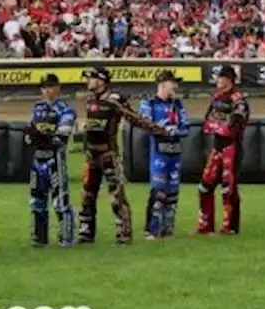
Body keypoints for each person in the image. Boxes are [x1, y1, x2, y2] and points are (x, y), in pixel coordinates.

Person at [78, 65, 163, 244]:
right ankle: (86, 232)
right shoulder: (89, 100)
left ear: (101, 80)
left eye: (90, 78)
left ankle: (123, 233)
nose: (87, 81)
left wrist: (156, 129)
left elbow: (134, 117)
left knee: (116, 195)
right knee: (86, 195)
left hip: (108, 154)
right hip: (90, 156)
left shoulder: (114, 100)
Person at [196, 63, 249, 235]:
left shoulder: (238, 99)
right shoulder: (216, 98)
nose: (217, 81)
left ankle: (230, 227)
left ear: (228, 80)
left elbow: (235, 124)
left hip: (231, 149)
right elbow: (206, 122)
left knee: (229, 189)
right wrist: (218, 125)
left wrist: (217, 125)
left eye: (220, 77)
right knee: (204, 186)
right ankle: (205, 225)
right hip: (217, 148)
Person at [25, 73, 75, 247]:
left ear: (58, 88)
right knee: (36, 200)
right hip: (37, 160)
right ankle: (39, 237)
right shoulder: (36, 108)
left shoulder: (65, 109)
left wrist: (40, 136)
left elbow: (61, 137)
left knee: (61, 200)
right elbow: (28, 136)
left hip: (55, 160)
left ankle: (66, 237)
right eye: (44, 87)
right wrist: (41, 136)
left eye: (51, 86)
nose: (47, 90)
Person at [138, 70, 190, 240]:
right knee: (158, 192)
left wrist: (175, 130)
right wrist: (163, 129)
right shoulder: (149, 103)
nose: (175, 86)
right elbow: (145, 124)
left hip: (175, 153)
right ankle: (151, 230)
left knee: (173, 193)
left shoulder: (178, 104)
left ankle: (167, 230)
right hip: (158, 153)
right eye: (173, 83)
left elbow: (186, 127)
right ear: (163, 84)